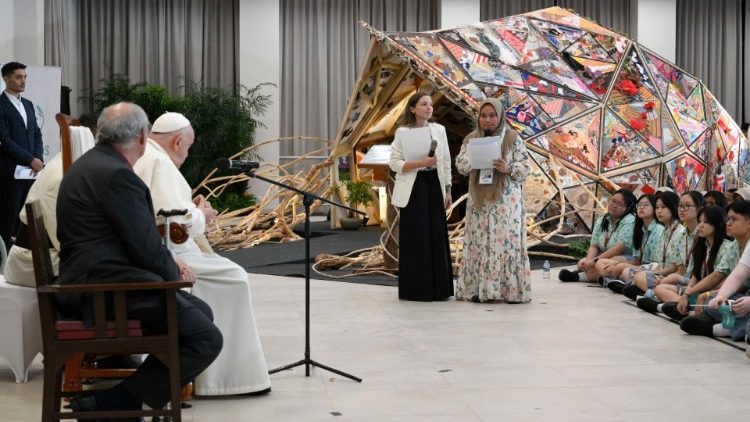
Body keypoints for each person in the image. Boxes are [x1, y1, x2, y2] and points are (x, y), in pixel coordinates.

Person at [57, 103, 223, 416]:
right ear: (143, 137)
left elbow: (136, 238)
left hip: (94, 282)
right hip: (106, 292)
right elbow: (144, 245)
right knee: (206, 339)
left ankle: (119, 399)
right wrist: (175, 270)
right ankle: (116, 402)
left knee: (201, 314)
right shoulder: (117, 175)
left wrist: (170, 266)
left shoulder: (94, 163)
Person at [133, 112, 270, 396]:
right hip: (169, 252)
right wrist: (202, 214)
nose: (187, 152)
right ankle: (226, 378)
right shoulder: (158, 161)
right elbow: (173, 221)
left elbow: (169, 208)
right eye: (188, 146)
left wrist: (191, 207)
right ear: (178, 141)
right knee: (234, 277)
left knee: (229, 272)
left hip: (164, 248)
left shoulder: (149, 156)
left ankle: (221, 373)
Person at [454, 98, 531, 303]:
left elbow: (525, 168)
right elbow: (460, 165)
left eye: (492, 115)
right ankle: (479, 290)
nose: (488, 120)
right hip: (480, 201)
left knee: (505, 243)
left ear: (500, 117)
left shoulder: (513, 138)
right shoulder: (471, 139)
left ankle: (508, 291)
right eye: (484, 116)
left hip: (506, 200)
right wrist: (473, 161)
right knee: (479, 242)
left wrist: (509, 168)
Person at [3, 127, 95, 286]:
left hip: (46, 256)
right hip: (32, 263)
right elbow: (65, 241)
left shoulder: (66, 165)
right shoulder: (62, 175)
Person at [389, 92, 453, 301]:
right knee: (415, 235)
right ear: (412, 108)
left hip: (434, 183)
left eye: (431, 105)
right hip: (413, 186)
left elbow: (444, 161)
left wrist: (448, 189)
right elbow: (394, 163)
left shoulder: (439, 130)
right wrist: (420, 163)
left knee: (436, 233)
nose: (429, 108)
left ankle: (439, 289)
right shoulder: (402, 132)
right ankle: (416, 289)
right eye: (424, 104)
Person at [640, 206, 734, 319]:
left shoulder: (726, 247)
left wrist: (692, 293)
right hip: (699, 289)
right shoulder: (702, 245)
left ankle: (665, 307)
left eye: (706, 222)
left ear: (717, 224)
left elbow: (719, 279)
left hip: (714, 293)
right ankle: (684, 308)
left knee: (712, 303)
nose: (701, 225)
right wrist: (687, 292)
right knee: (660, 288)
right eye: (700, 221)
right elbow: (696, 273)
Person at [681, 200, 750, 339]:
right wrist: (719, 296)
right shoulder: (734, 246)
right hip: (741, 297)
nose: (728, 223)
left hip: (744, 297)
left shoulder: (726, 245)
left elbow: (718, 278)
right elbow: (736, 276)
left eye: (734, 219)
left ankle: (723, 328)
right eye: (728, 219)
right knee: (715, 302)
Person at [623, 191, 701, 300]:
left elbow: (677, 270)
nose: (659, 211)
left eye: (663, 207)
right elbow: (662, 264)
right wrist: (653, 272)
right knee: (629, 272)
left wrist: (657, 275)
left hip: (683, 280)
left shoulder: (683, 232)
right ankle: (653, 294)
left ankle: (653, 294)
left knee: (640, 277)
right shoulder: (676, 233)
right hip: (671, 276)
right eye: (680, 206)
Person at [0, 62, 44, 249]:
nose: (23, 81)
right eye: (18, 77)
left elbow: (36, 134)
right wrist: (30, 159)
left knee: (27, 218)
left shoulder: (28, 104)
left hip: (31, 173)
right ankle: (4, 263)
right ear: (6, 78)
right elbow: (5, 141)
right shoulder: (0, 104)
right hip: (10, 172)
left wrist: (39, 158)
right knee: (8, 218)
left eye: (25, 77)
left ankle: (23, 257)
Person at [558, 189, 636, 283]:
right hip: (604, 257)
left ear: (628, 208)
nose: (614, 205)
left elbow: (618, 248)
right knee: (581, 263)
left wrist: (593, 262)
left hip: (626, 257)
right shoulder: (603, 219)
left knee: (603, 264)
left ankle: (580, 276)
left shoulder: (630, 221)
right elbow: (594, 246)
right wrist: (588, 262)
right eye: (613, 201)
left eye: (620, 204)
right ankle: (597, 276)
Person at [600, 193, 664, 293]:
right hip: (642, 267)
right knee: (608, 264)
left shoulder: (659, 230)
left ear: (654, 209)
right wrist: (618, 264)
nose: (641, 208)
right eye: (639, 205)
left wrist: (621, 266)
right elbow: (637, 260)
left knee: (625, 271)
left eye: (646, 205)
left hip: (655, 269)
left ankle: (626, 285)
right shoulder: (640, 230)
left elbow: (656, 263)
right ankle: (627, 284)